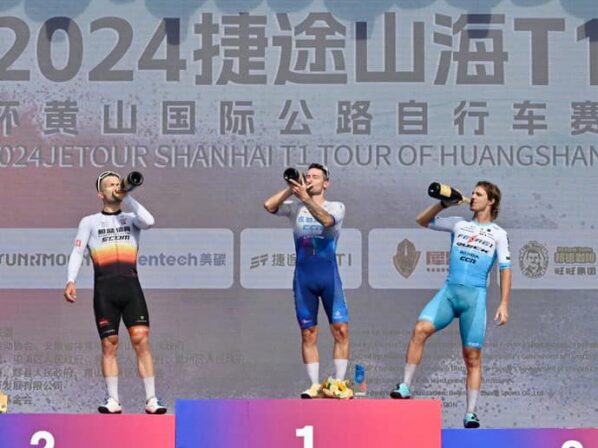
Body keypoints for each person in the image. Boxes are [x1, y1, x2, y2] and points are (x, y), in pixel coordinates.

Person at [390, 181, 512, 428]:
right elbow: (421, 220)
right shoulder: (459, 223)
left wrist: (504, 303)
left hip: (473, 300)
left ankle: (470, 413)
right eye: (472, 193)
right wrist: (442, 204)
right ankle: (405, 386)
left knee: (472, 356)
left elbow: (505, 269)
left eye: (478, 194)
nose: (472, 197)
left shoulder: (498, 234)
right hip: (449, 294)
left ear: (491, 201)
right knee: (420, 330)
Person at [64, 171, 166, 414]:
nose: (115, 187)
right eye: (110, 185)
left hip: (131, 288)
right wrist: (70, 280)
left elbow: (150, 221)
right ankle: (113, 400)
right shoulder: (89, 222)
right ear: (100, 194)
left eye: (118, 183)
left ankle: (151, 399)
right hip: (105, 291)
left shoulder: (132, 218)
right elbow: (77, 252)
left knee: (141, 339)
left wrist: (127, 195)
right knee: (109, 344)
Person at [264, 163, 351, 399]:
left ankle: (339, 384)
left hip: (329, 277)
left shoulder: (336, 206)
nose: (310, 179)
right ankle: (314, 385)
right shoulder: (295, 207)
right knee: (308, 333)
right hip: (304, 278)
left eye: (315, 177)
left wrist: (304, 197)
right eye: (307, 176)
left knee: (341, 330)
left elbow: (327, 221)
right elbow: (269, 205)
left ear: (326, 183)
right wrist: (291, 188)